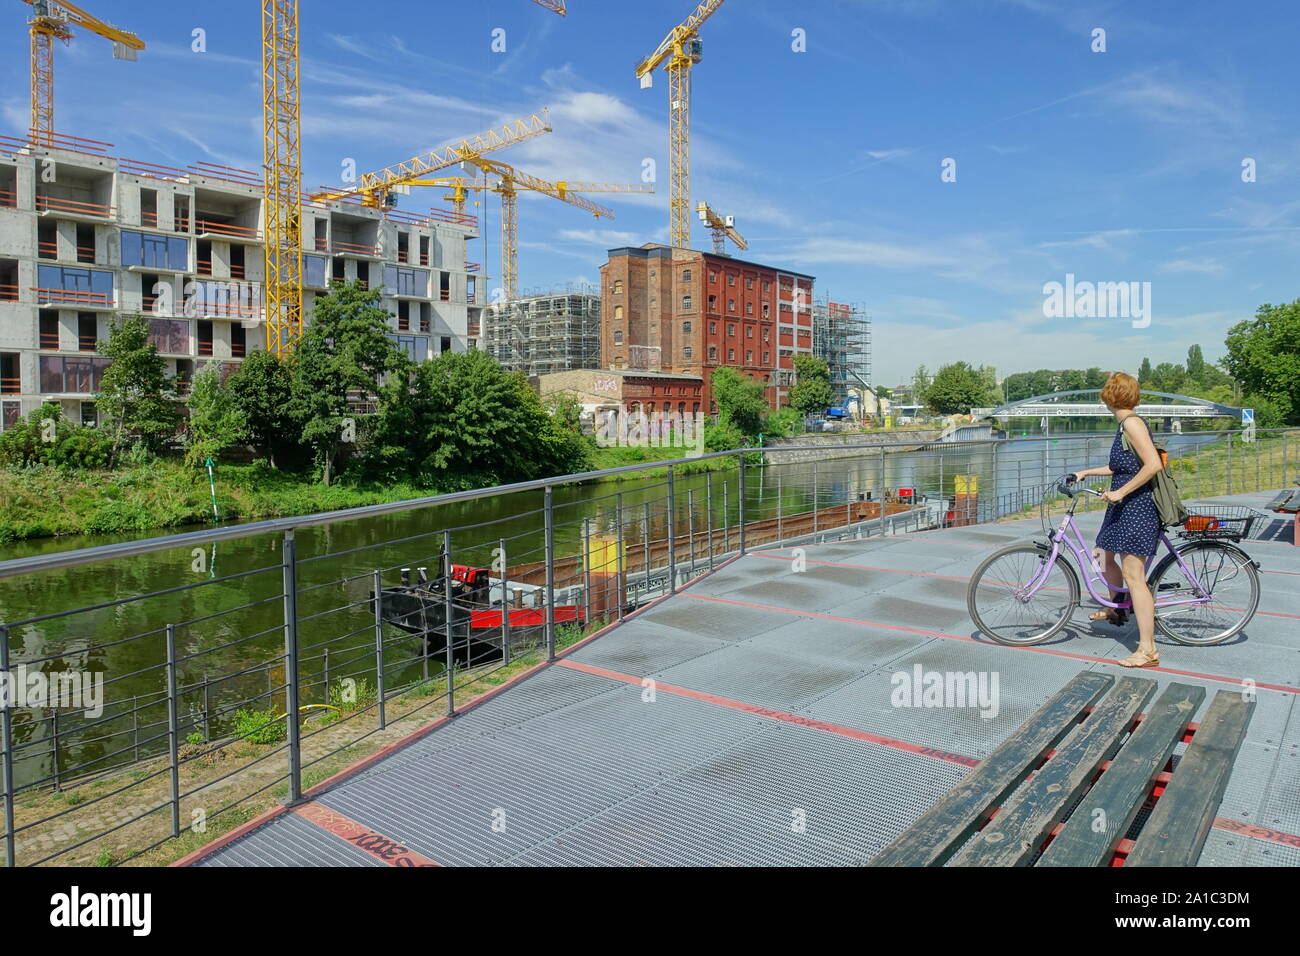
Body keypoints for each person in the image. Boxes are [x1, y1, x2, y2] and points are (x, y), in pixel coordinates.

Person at [1066, 372, 1166, 668]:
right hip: (1124, 506)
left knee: (1135, 577)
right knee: (1103, 554)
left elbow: (1152, 466)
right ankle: (1117, 608)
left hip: (1138, 507)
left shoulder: (1132, 424)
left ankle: (1148, 650)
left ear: (1108, 396)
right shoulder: (1124, 425)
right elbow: (1118, 466)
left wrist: (1120, 492)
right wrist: (1086, 472)